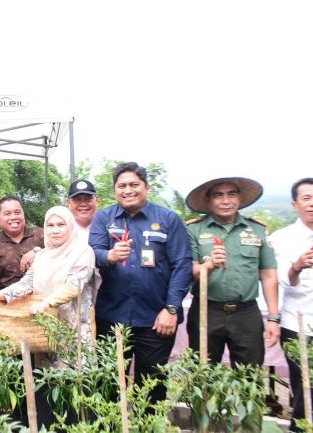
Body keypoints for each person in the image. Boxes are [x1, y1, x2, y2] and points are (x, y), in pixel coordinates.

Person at [0, 205, 97, 429]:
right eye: (50, 225)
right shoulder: (42, 255)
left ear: (70, 226)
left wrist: (47, 302)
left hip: (72, 335)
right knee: (46, 391)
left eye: (61, 224)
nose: (55, 230)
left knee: (74, 393)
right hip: (44, 335)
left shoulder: (83, 252)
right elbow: (26, 284)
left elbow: (75, 285)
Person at [89, 161, 192, 402]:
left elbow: (182, 265)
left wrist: (171, 308)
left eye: (134, 184)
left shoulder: (168, 219)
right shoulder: (104, 218)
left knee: (152, 387)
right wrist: (110, 256)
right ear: (114, 190)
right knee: (109, 386)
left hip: (156, 321)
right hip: (111, 319)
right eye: (121, 185)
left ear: (147, 187)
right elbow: (92, 253)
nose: (128, 190)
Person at [184, 177, 279, 366]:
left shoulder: (257, 230)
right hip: (207, 310)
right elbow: (189, 273)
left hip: (247, 313)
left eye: (231, 194)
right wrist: (209, 265)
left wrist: (274, 318)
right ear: (208, 201)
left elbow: (269, 276)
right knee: (203, 373)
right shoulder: (193, 230)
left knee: (250, 376)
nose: (226, 201)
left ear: (240, 198)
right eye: (218, 195)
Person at [269, 177, 313, 432]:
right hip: (298, 324)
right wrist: (296, 266)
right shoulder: (282, 238)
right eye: (306, 198)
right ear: (295, 204)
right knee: (303, 387)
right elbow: (278, 281)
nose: (312, 204)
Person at [19, 179, 99, 272]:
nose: (83, 204)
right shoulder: (62, 228)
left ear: (97, 201)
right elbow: (49, 246)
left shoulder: (106, 226)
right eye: (77, 199)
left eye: (88, 199)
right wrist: (36, 251)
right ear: (68, 203)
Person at [0, 196, 45, 293]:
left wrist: (37, 251)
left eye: (17, 212)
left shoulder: (42, 234)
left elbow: (62, 251)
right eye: (7, 214)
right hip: (7, 303)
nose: (13, 217)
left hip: (41, 301)